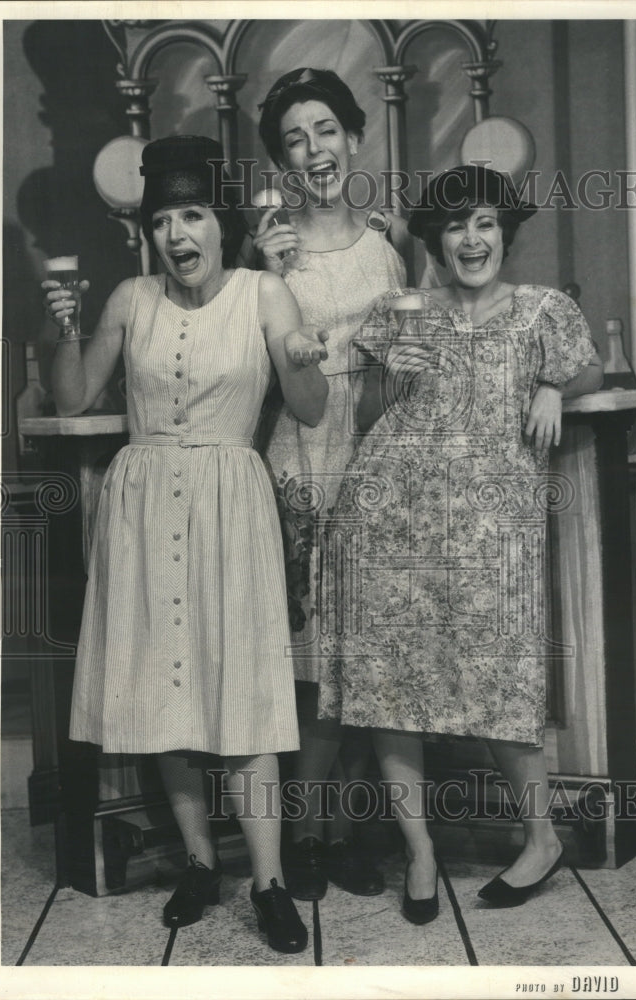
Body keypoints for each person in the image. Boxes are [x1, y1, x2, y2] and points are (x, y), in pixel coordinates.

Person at [44, 135, 330, 954]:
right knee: (164, 693)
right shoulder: (131, 299)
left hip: (230, 506)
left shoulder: (263, 292)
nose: (177, 235)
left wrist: (305, 357)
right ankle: (200, 863)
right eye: (163, 219)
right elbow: (74, 397)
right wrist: (65, 327)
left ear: (221, 222)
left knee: (242, 700)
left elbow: (307, 407)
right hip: (140, 509)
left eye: (193, 215)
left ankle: (269, 881)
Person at [317, 164, 604, 920]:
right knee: (390, 692)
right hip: (389, 519)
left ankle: (539, 839)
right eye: (454, 225)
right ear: (435, 239)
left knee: (502, 688)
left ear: (504, 231)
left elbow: (590, 370)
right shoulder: (400, 309)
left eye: (483, 223)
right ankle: (418, 852)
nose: (471, 239)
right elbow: (366, 409)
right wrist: (391, 379)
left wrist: (549, 386)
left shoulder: (542, 310)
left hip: (490, 530)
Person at [249, 67, 408, 902]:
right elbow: (245, 369)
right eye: (293, 140)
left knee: (364, 659)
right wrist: (255, 276)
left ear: (353, 139)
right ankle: (305, 835)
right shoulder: (268, 249)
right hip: (297, 460)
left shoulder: (387, 247)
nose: (312, 151)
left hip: (373, 457)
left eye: (324, 131)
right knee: (311, 663)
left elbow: (413, 356)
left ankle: (341, 830)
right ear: (281, 160)